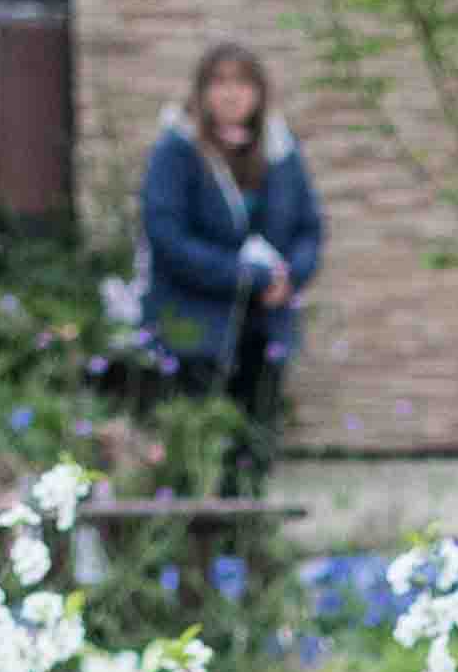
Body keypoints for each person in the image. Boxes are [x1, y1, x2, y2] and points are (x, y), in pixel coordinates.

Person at [136, 39, 324, 457]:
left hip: (265, 322)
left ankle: (248, 522)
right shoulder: (178, 150)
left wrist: (290, 275)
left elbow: (309, 226)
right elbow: (167, 237)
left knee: (252, 443)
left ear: (259, 92)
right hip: (195, 323)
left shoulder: (280, 150)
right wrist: (248, 276)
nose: (231, 93)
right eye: (219, 82)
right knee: (195, 445)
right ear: (201, 92)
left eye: (242, 82)